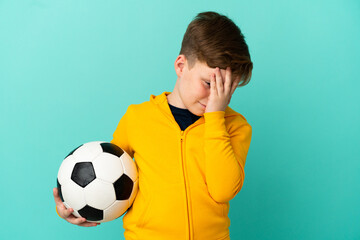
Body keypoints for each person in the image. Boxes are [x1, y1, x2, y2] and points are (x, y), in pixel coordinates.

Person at [53, 11, 253, 240]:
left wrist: (216, 117)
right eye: (209, 83)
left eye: (227, 89)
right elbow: (104, 181)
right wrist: (72, 207)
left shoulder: (235, 127)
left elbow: (223, 190)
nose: (215, 97)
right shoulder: (138, 118)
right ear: (181, 66)